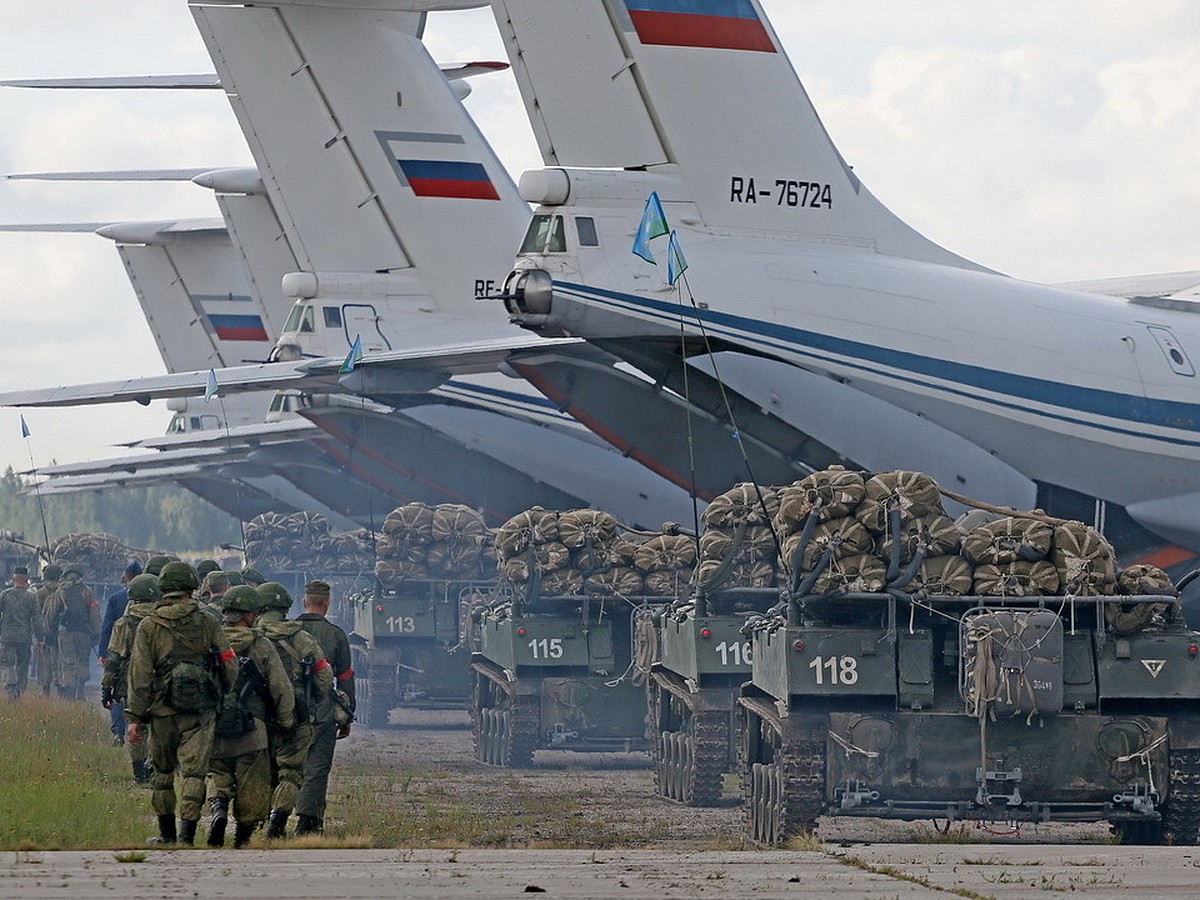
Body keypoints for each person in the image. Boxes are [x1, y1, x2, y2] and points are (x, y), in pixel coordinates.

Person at [125, 561, 237, 846]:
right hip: (200, 710)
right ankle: (187, 835)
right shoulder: (209, 620)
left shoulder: (149, 626)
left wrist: (135, 717)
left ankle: (166, 835)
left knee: (161, 773)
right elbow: (228, 662)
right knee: (194, 772)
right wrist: (222, 692)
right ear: (192, 587)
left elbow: (139, 675)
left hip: (161, 711)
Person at [206, 585, 296, 848]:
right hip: (253, 728)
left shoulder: (209, 642)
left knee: (216, 773)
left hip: (215, 725)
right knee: (251, 786)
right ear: (248, 615)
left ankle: (218, 808)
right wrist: (286, 721)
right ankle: (242, 838)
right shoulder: (261, 646)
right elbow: (281, 688)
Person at [255, 581, 332, 840]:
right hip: (295, 715)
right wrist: (311, 702)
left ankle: (254, 822)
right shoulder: (301, 638)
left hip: (255, 717)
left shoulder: (250, 637)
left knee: (259, 769)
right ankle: (276, 825)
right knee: (290, 771)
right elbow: (324, 676)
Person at [295, 580, 355, 835]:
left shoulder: (290, 631)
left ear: (304, 602)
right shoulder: (336, 635)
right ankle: (308, 822)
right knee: (318, 767)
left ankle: (276, 818)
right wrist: (347, 715)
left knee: (286, 765)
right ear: (328, 604)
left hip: (290, 708)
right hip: (322, 708)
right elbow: (345, 677)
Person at [101, 574, 161, 783]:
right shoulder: (162, 621)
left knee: (136, 726)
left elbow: (114, 659)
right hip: (160, 681)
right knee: (157, 726)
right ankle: (154, 767)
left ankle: (139, 773)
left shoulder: (123, 624)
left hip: (132, 683)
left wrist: (106, 688)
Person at [98, 560, 143, 743]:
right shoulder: (155, 599)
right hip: (143, 655)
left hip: (120, 651)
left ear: (126, 577)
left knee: (117, 690)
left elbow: (107, 626)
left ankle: (118, 731)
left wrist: (103, 652)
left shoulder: (116, 598)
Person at [47, 565, 101, 699]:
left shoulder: (60, 592)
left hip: (66, 633)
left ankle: (69, 694)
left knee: (68, 664)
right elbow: (95, 614)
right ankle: (80, 689)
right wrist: (96, 633)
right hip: (84, 633)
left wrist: (50, 631)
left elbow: (52, 613)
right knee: (83, 661)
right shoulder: (87, 592)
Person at [0, 566, 42, 699]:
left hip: (7, 637)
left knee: (7, 664)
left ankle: (11, 686)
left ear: (13, 579)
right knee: (23, 665)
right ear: (27, 580)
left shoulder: (4, 595)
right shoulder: (32, 597)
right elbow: (37, 620)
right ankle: (20, 689)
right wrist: (40, 638)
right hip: (25, 638)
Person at [34, 563, 62, 695]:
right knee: (58, 662)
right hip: (60, 633)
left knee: (44, 664)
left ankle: (46, 691)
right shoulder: (62, 592)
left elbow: (36, 616)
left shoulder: (40, 593)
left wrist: (38, 637)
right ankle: (60, 688)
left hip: (44, 634)